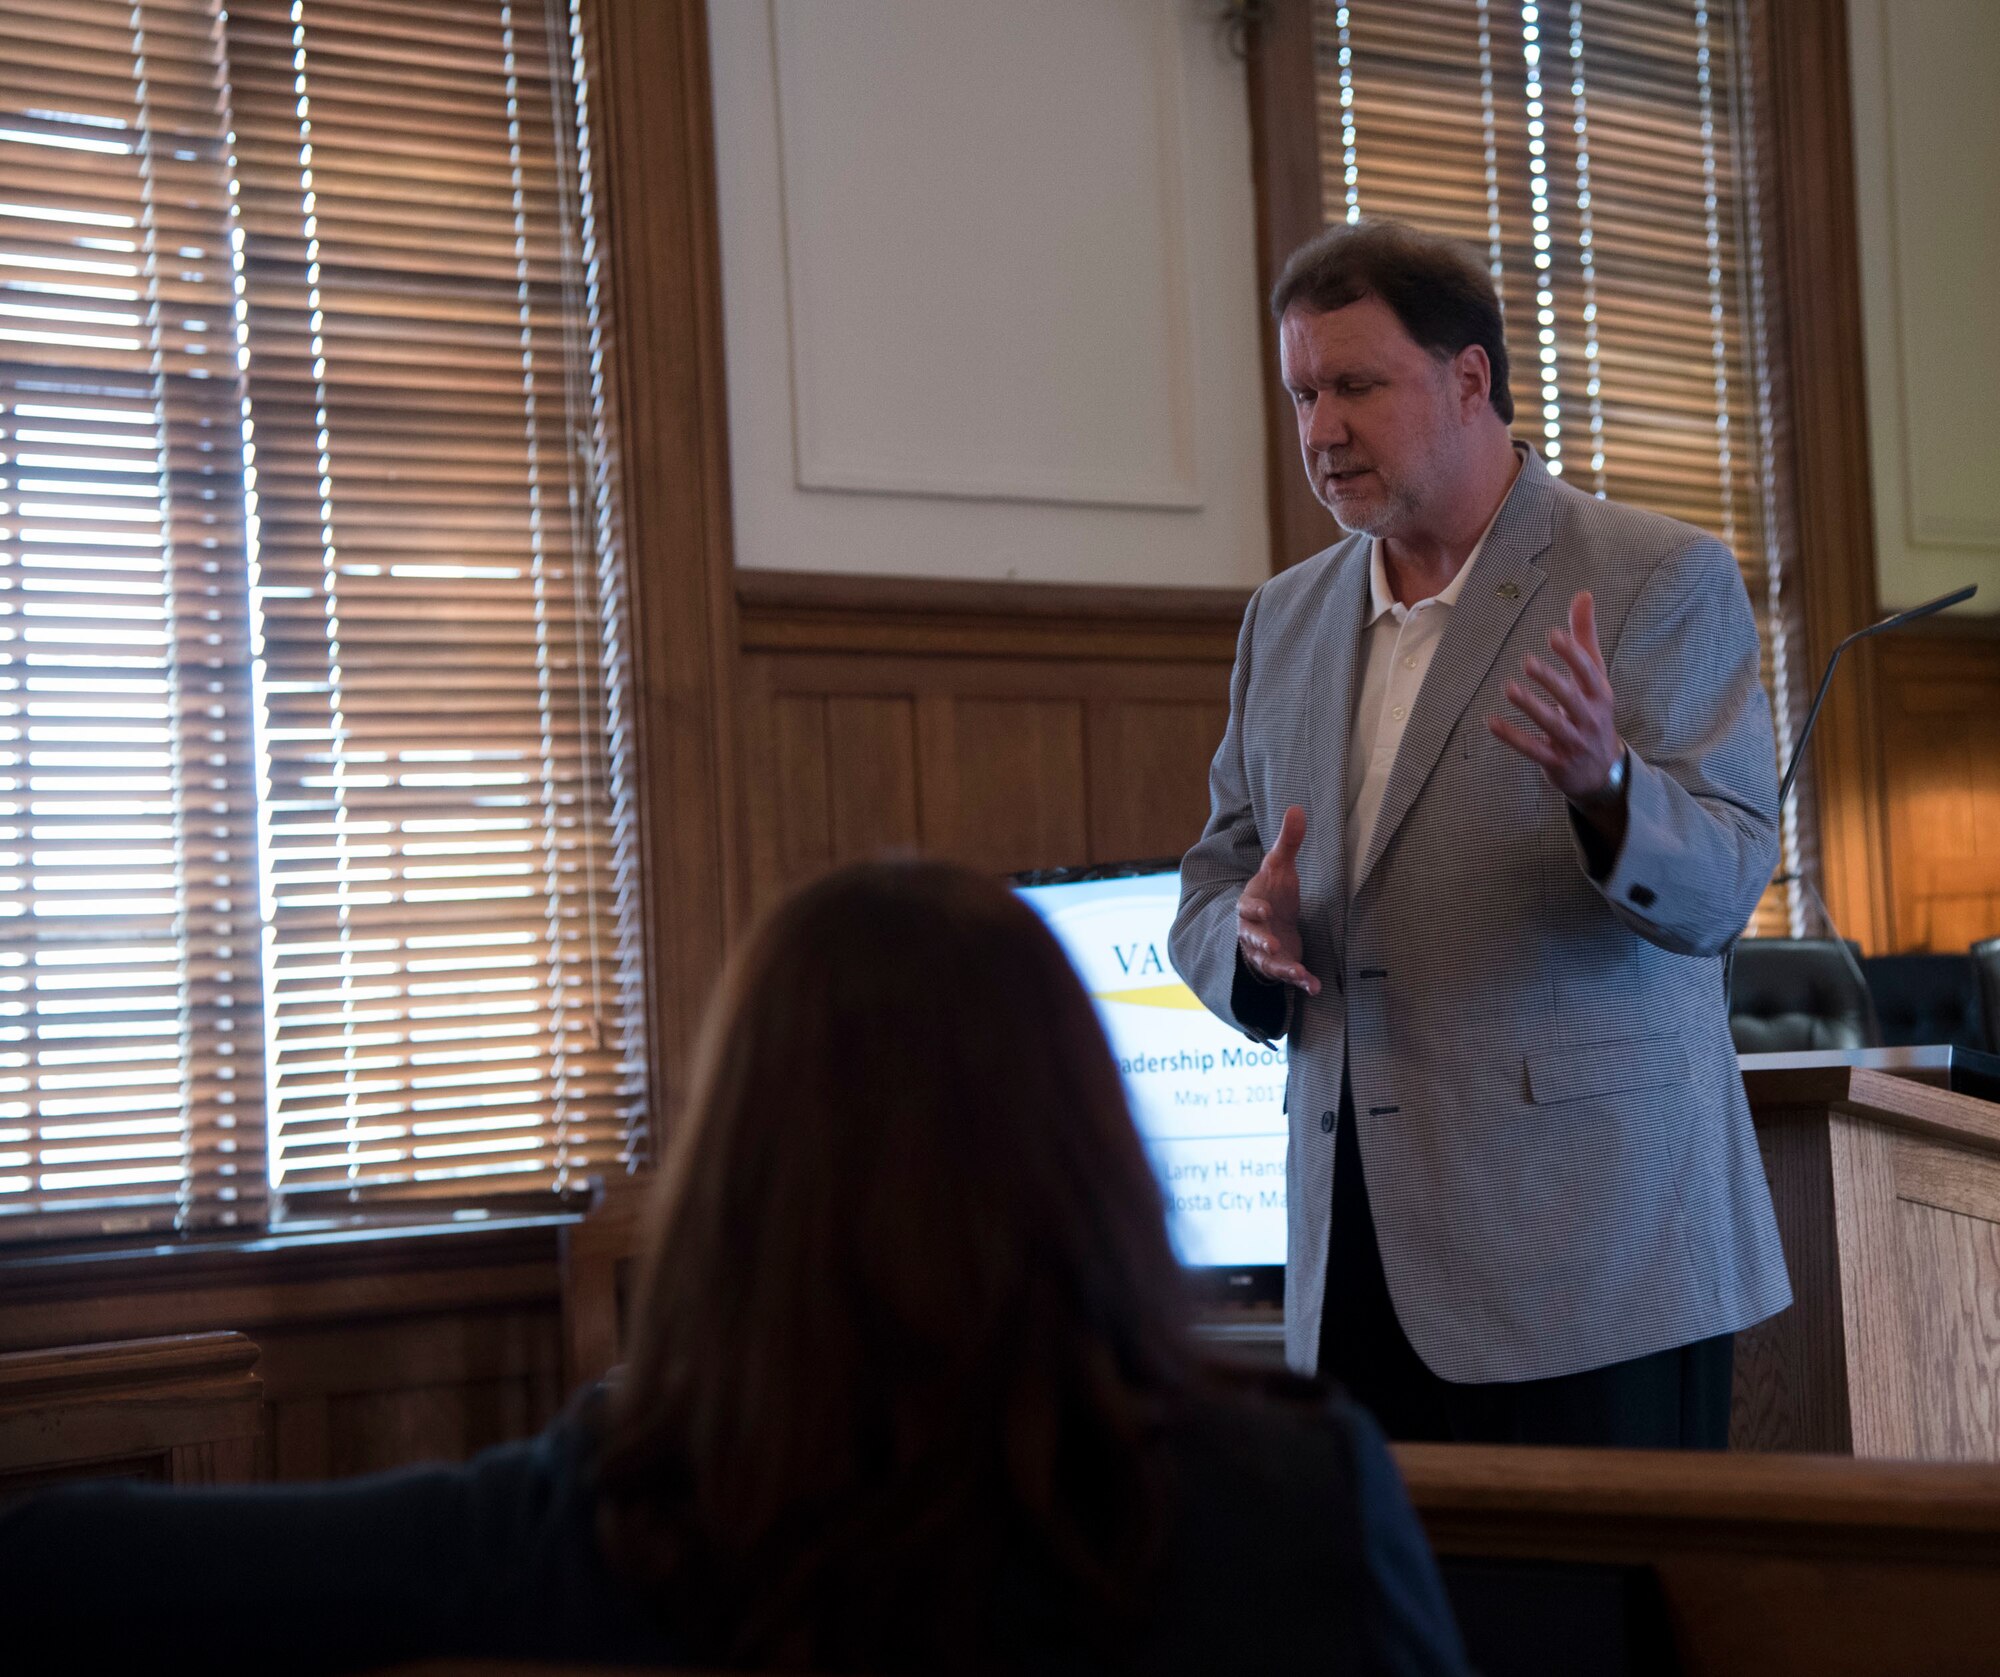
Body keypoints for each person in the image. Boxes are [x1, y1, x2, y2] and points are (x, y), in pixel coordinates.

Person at [0, 860, 1468, 1676]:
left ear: (740, 1184)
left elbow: (74, 1567)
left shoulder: (608, 1514)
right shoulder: (1301, 1504)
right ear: (1092, 1153)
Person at [1170, 219, 1791, 1450]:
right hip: (1351, 1273)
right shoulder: (1283, 621)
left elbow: (1725, 877)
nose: (1318, 430)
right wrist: (1250, 937)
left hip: (1597, 1265)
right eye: (1301, 392)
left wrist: (1605, 787)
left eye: (1355, 385)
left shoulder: (1650, 577)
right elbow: (1213, 876)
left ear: (1470, 380)